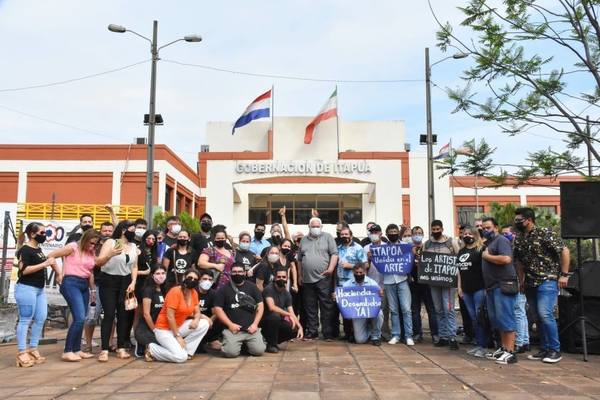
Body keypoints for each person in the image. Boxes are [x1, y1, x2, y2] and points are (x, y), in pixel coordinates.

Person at [513, 207, 570, 364]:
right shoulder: (518, 238)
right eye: (515, 220)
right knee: (537, 316)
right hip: (530, 282)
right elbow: (518, 261)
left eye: (519, 220)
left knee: (545, 314)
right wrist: (521, 280)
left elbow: (564, 250)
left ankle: (555, 350)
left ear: (529, 220)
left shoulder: (544, 233)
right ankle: (544, 348)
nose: (516, 222)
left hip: (548, 279)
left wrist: (564, 275)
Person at [48, 229, 99, 362]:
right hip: (71, 282)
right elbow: (51, 255)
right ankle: (67, 350)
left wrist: (92, 290)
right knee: (80, 318)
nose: (93, 246)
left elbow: (91, 272)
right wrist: (59, 273)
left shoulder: (91, 252)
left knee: (81, 318)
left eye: (95, 244)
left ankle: (76, 349)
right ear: (85, 239)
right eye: (92, 243)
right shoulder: (73, 247)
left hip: (84, 284)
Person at [14, 222, 61, 367]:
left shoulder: (38, 249)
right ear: (32, 234)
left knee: (41, 318)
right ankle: (22, 352)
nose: (44, 235)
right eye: (42, 233)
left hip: (39, 290)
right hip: (26, 289)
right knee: (25, 319)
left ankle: (33, 348)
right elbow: (24, 270)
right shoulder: (25, 250)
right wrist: (45, 264)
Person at [95, 220, 139, 361]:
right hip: (108, 280)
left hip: (125, 281)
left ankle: (121, 347)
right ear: (123, 230)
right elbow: (99, 262)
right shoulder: (112, 243)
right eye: (131, 230)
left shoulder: (132, 246)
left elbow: (134, 266)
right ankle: (104, 349)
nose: (134, 233)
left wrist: (133, 281)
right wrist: (110, 255)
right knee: (108, 314)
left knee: (123, 315)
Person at [147, 268, 211, 363]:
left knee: (204, 323)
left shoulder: (194, 293)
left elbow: (197, 312)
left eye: (195, 279)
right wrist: (177, 336)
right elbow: (170, 316)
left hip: (178, 326)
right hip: (164, 330)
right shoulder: (175, 291)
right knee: (180, 357)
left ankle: (187, 351)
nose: (192, 280)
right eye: (190, 277)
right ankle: (153, 349)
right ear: (184, 277)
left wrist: (196, 320)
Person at [481, 217, 518, 364]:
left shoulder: (501, 240)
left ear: (496, 227)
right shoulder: (488, 243)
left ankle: (510, 351)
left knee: (506, 319)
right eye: (483, 228)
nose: (485, 230)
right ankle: (503, 348)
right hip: (491, 286)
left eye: (488, 227)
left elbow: (506, 259)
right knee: (498, 320)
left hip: (503, 284)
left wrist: (487, 256)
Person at [297, 217, 338, 340]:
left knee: (326, 306)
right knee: (310, 307)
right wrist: (300, 275)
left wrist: (330, 269)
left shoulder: (328, 237)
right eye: (313, 226)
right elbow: (299, 259)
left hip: (324, 278)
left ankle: (327, 332)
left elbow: (334, 254)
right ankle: (312, 331)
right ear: (309, 227)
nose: (315, 228)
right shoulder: (303, 240)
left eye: (317, 226)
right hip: (307, 279)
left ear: (321, 227)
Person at [213, 263, 266, 358]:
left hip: (251, 329)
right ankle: (237, 344)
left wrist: (255, 324)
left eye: (240, 272)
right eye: (234, 272)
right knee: (230, 353)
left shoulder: (252, 287)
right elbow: (218, 309)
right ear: (230, 273)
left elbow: (261, 306)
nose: (237, 274)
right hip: (233, 329)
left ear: (245, 273)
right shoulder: (223, 289)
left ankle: (245, 344)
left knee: (259, 351)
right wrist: (230, 325)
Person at [424, 220, 460, 350]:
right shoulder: (427, 244)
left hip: (448, 282)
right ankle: (443, 336)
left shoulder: (451, 243)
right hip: (433, 282)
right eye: (433, 229)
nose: (435, 231)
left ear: (442, 229)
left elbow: (459, 258)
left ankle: (452, 337)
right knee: (438, 309)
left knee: (449, 309)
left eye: (438, 229)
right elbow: (424, 261)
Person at [456, 227, 488, 358]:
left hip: (479, 288)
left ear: (475, 235)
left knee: (480, 317)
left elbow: (485, 270)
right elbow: (459, 271)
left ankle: (483, 345)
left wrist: (486, 287)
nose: (467, 235)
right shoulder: (461, 251)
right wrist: (459, 287)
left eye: (470, 233)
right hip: (466, 289)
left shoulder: (481, 250)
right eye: (465, 234)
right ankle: (478, 343)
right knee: (473, 318)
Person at [83, 221, 114, 353]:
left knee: (111, 315)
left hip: (111, 284)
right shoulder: (93, 247)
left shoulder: (115, 245)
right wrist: (92, 287)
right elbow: (89, 268)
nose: (107, 233)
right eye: (104, 230)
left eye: (110, 231)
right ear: (100, 232)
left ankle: (110, 343)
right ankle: (88, 344)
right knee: (91, 316)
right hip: (95, 284)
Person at [335, 227, 368, 342]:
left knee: (355, 308)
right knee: (344, 308)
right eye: (342, 234)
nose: (344, 236)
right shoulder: (338, 249)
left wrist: (350, 266)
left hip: (355, 282)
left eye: (346, 234)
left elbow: (365, 265)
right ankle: (347, 332)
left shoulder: (358, 248)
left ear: (351, 235)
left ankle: (356, 333)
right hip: (341, 283)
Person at [383, 224, 414, 346]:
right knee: (394, 310)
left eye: (395, 231)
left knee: (406, 309)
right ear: (387, 234)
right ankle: (396, 334)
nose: (393, 233)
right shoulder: (382, 249)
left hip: (402, 280)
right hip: (388, 281)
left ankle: (408, 335)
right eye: (390, 231)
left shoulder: (405, 246)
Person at [261, 267, 303, 353]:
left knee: (294, 330)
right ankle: (271, 345)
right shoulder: (269, 289)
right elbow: (271, 307)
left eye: (284, 277)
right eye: (279, 277)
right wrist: (288, 314)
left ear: (287, 278)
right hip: (265, 320)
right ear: (275, 278)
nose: (281, 279)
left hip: (277, 321)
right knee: (274, 316)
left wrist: (300, 327)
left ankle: (272, 341)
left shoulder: (287, 294)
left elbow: (291, 312)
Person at [503, 224, 530, 354]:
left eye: (506, 233)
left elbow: (521, 266)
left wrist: (522, 282)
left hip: (518, 282)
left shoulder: (517, 247)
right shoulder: (509, 247)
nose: (504, 236)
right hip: (513, 282)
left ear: (514, 234)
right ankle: (525, 341)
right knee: (520, 312)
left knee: (519, 312)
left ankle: (520, 342)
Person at [409, 226, 439, 343]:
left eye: (420, 233)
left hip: (427, 283)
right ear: (412, 235)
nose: (417, 234)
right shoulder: (408, 249)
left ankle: (435, 334)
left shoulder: (428, 247)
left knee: (431, 309)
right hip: (414, 283)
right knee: (415, 310)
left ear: (423, 234)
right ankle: (417, 334)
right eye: (415, 233)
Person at [342, 264, 384, 345]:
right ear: (353, 272)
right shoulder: (347, 285)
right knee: (360, 340)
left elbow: (378, 299)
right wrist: (337, 295)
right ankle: (369, 330)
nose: (358, 274)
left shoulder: (372, 283)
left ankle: (376, 336)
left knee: (379, 313)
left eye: (361, 272)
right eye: (356, 272)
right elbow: (342, 297)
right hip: (358, 313)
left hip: (371, 311)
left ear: (365, 272)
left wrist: (380, 294)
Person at [363, 224, 391, 340]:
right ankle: (372, 332)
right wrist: (369, 259)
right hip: (371, 283)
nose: (374, 234)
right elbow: (363, 268)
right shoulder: (365, 248)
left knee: (384, 310)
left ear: (381, 233)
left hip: (385, 282)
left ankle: (384, 332)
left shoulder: (387, 247)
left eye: (376, 231)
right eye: (372, 232)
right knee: (371, 309)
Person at [135, 265, 166, 360]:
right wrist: (155, 330)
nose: (161, 276)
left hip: (162, 327)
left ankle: (151, 351)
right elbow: (146, 314)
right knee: (159, 342)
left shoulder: (165, 290)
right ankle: (144, 346)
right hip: (147, 328)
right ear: (152, 275)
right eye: (157, 273)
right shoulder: (148, 290)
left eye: (163, 273)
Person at [197, 270, 222, 352]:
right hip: (194, 319)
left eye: (210, 279)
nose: (207, 281)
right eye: (204, 279)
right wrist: (202, 318)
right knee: (199, 350)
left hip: (209, 322)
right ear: (199, 279)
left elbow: (215, 312)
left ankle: (212, 340)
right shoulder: (193, 291)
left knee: (220, 317)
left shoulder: (214, 294)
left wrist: (209, 321)